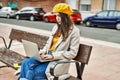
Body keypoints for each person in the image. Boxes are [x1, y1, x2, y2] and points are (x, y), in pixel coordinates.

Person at [18, 3, 80, 80]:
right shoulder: (56, 27)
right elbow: (48, 44)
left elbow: (73, 53)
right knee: (25, 63)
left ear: (66, 16)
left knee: (32, 72)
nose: (57, 18)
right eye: (56, 15)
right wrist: (43, 51)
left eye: (59, 16)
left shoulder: (74, 31)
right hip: (46, 57)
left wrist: (53, 56)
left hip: (57, 61)